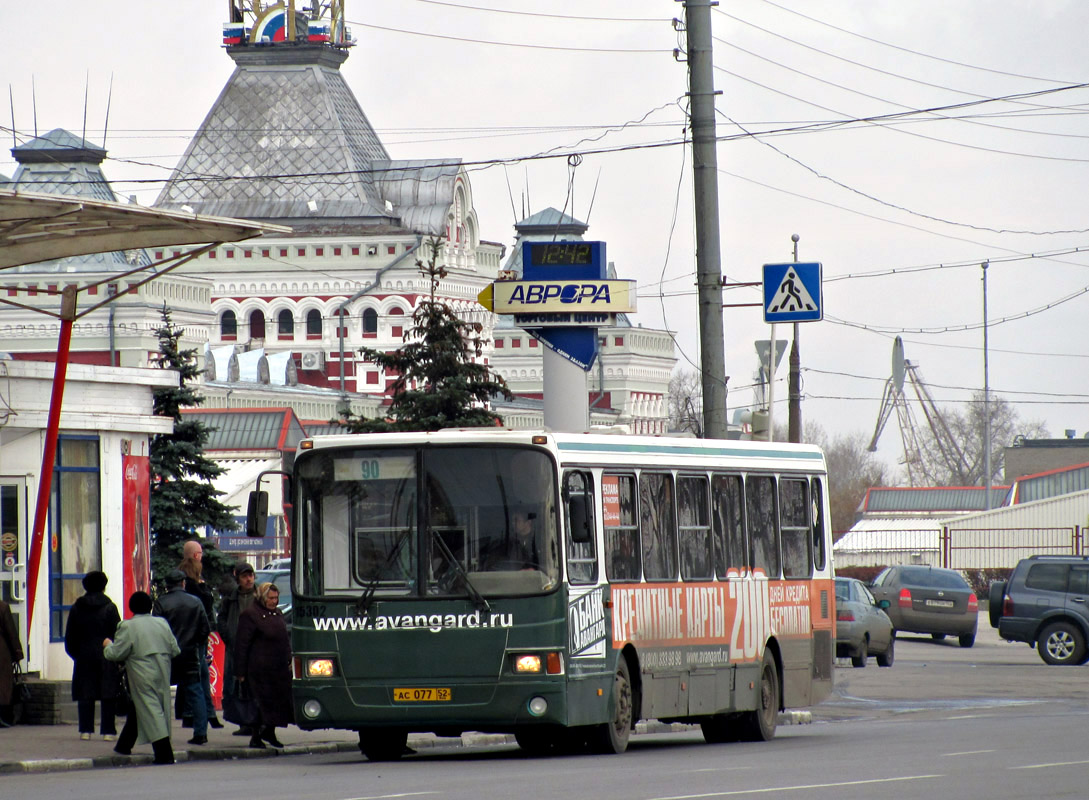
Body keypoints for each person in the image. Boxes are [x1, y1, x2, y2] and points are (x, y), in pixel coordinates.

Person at [104, 591, 179, 765]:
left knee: (150, 708)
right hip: (163, 669)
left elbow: (116, 653)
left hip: (141, 672)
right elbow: (175, 649)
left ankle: (164, 752)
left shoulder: (127, 626)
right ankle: (124, 745)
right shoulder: (162, 623)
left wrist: (108, 646)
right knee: (148, 708)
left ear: (131, 608)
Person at [154, 569, 211, 746]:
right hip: (190, 654)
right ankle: (201, 732)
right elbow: (205, 629)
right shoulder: (195, 602)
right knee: (196, 691)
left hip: (167, 655)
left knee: (161, 692)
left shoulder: (161, 603)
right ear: (183, 583)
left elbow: (156, 628)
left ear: (167, 585)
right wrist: (195, 645)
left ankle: (162, 734)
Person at [64, 571, 122, 740]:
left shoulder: (77, 608)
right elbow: (118, 633)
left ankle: (85, 730)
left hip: (84, 655)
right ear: (104, 586)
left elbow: (70, 636)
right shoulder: (110, 607)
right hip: (107, 655)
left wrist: (77, 654)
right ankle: (108, 731)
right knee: (108, 693)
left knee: (85, 693)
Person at [234, 581, 292, 749]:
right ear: (262, 597)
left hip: (278, 668)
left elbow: (284, 639)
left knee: (278, 703)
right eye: (271, 598)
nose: (274, 601)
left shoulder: (278, 613)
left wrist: (289, 658)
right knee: (259, 704)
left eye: (276, 598)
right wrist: (240, 671)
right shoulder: (250, 615)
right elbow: (242, 644)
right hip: (259, 669)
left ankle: (270, 732)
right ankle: (256, 736)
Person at [179, 548, 222, 730]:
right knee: (200, 675)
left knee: (195, 676)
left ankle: (195, 715)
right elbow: (206, 609)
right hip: (196, 638)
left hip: (185, 637)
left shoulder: (184, 590)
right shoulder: (197, 590)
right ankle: (204, 717)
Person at [217, 561, 257, 736]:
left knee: (254, 686)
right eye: (244, 576)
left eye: (251, 575)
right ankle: (243, 722)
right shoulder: (231, 599)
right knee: (235, 686)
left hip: (255, 649)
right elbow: (222, 620)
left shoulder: (259, 596)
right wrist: (229, 637)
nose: (248, 579)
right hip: (235, 648)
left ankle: (256, 723)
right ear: (238, 578)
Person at [0, 599, 23, 728]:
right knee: (3, 684)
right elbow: (11, 631)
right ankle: (2, 716)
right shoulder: (2, 607)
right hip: (2, 651)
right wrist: (17, 653)